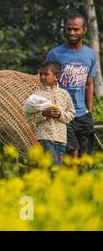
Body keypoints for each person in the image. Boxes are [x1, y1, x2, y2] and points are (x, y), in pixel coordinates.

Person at [46, 14, 96, 158]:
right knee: (71, 154)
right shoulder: (54, 54)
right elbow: (44, 84)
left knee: (84, 156)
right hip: (64, 114)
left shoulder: (90, 54)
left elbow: (89, 84)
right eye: (69, 29)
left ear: (84, 30)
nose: (72, 33)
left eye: (76, 29)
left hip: (83, 114)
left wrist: (89, 112)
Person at [24, 61, 75, 166]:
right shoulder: (36, 95)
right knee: (53, 167)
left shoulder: (64, 94)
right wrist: (44, 114)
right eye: (40, 74)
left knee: (56, 168)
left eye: (46, 74)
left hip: (61, 139)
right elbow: (27, 117)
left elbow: (71, 113)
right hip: (45, 137)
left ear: (56, 77)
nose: (42, 77)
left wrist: (60, 114)